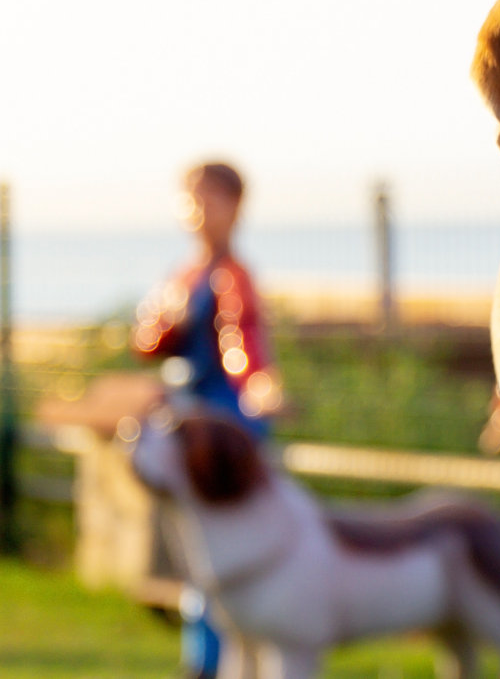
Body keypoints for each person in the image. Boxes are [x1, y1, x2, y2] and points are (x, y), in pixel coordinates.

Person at [133, 161, 281, 678]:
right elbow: (147, 341)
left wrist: (261, 387)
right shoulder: (182, 276)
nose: (198, 211)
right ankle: (208, 657)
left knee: (224, 554)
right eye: (191, 199)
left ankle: (220, 659)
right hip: (188, 429)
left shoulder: (230, 276)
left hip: (218, 438)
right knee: (200, 555)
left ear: (234, 207)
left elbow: (243, 343)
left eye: (209, 199)